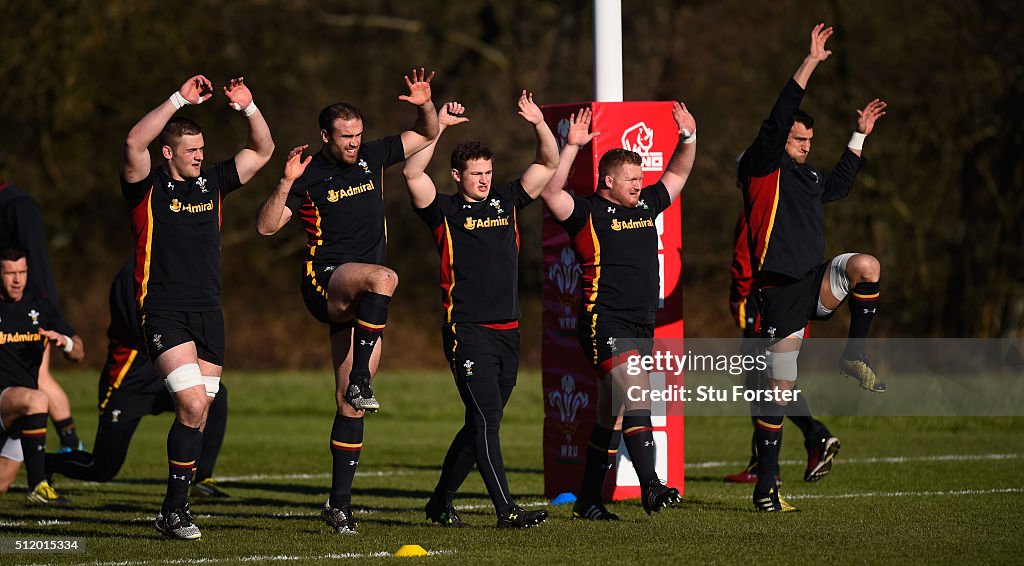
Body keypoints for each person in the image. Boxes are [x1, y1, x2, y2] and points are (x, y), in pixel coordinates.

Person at [256, 68, 439, 535]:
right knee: (385, 276)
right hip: (326, 283)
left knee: (349, 407)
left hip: (363, 300)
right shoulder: (309, 173)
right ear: (325, 136)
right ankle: (361, 378)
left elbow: (426, 133)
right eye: (345, 137)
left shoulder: (373, 156)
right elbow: (266, 227)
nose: (354, 143)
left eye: (358, 134)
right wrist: (284, 181)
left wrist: (424, 103)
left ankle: (339, 507)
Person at [737, 24, 887, 512]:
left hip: (816, 283)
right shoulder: (764, 168)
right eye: (799, 139)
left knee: (867, 265)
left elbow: (840, 185)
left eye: (808, 139)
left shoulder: (809, 174)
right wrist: (810, 63)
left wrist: (859, 135)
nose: (804, 145)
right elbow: (778, 117)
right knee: (778, 390)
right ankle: (767, 489)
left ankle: (853, 356)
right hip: (779, 291)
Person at [121, 74, 274, 539]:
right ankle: (174, 510)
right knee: (189, 403)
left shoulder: (214, 183)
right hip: (164, 309)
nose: (200, 156)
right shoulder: (146, 187)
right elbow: (134, 140)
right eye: (191, 150)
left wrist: (248, 107)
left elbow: (263, 150)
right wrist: (177, 100)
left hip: (210, 312)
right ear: (168, 153)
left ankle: (174, 509)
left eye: (202, 149)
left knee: (200, 413)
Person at [402, 96, 558, 529]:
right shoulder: (444, 211)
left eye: (489, 173)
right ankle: (506, 510)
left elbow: (548, 163)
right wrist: (439, 130)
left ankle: (439, 502)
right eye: (476, 174)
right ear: (458, 176)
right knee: (487, 419)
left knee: (480, 422)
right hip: (467, 331)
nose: (485, 180)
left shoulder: (506, 201)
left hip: (509, 330)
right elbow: (412, 172)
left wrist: (540, 123)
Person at [541, 103, 697, 519]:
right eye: (631, 179)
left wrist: (689, 138)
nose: (639, 184)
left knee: (612, 414)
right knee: (637, 391)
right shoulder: (588, 212)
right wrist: (572, 146)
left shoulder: (646, 206)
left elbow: (678, 174)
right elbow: (551, 193)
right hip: (603, 319)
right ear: (608, 180)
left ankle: (588, 500)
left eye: (641, 177)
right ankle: (651, 487)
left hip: (640, 323)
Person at [45, 259, 230, 497]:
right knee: (103, 468)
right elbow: (143, 327)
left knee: (214, 393)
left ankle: (202, 477)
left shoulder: (179, 270)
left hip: (165, 372)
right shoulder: (132, 274)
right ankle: (44, 464)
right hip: (129, 381)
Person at [723, 212, 840, 484]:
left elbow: (743, 260)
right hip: (794, 302)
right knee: (769, 380)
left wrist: (740, 300)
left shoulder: (757, 208)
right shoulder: (799, 205)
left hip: (764, 303)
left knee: (764, 381)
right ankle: (770, 460)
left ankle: (808, 439)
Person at [0, 181, 87, 452]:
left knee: (39, 377)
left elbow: (35, 260)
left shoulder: (18, 206)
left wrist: (38, 309)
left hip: (31, 308)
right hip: (15, 305)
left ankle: (71, 444)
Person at [0, 248, 83, 504]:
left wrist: (66, 342)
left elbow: (79, 352)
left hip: (23, 418)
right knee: (38, 399)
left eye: (22, 272)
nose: (17, 279)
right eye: (10, 273)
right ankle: (38, 484)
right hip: (9, 401)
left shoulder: (40, 306)